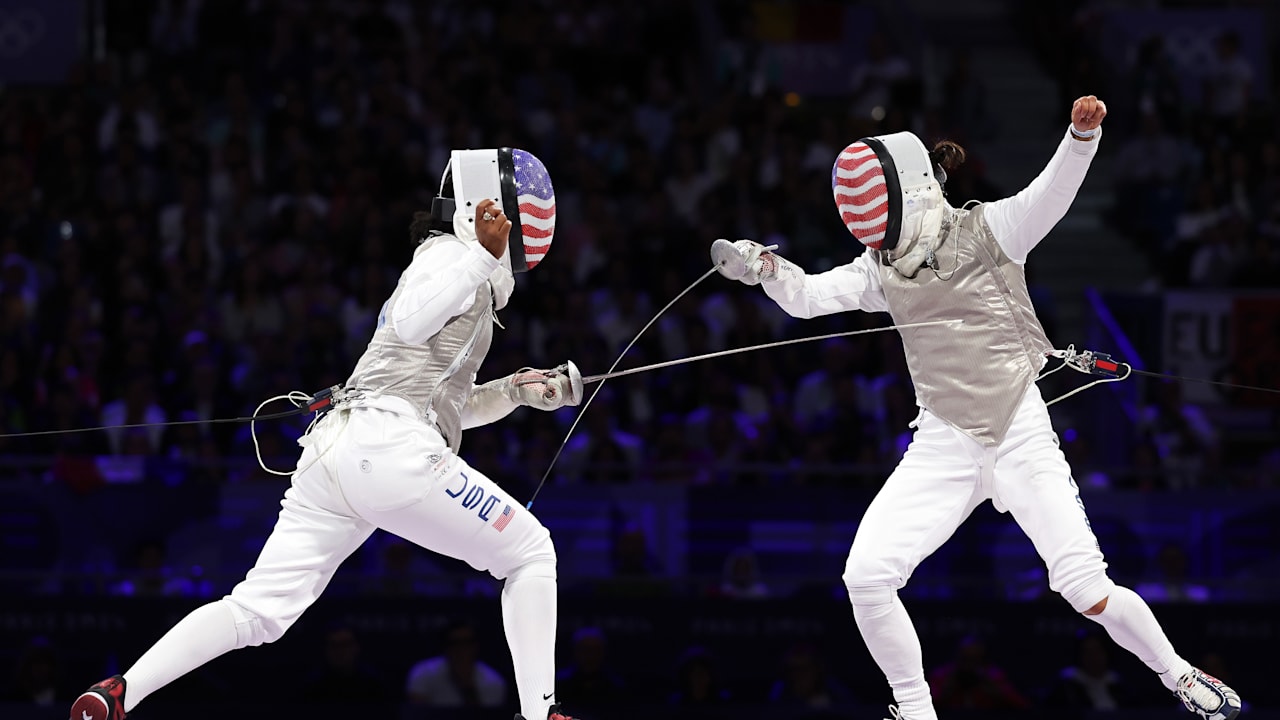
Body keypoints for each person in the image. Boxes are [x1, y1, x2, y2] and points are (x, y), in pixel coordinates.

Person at [711, 96, 1243, 720]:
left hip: (1020, 432)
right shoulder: (880, 269)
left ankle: (1179, 675)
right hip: (943, 441)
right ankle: (915, 708)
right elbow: (806, 297)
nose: (879, 237)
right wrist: (767, 267)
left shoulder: (989, 233)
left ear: (910, 194)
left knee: (1086, 590)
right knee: (867, 577)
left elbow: (1050, 196)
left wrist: (1078, 137)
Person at [71, 147, 581, 720]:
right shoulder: (448, 256)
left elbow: (446, 407)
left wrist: (514, 391)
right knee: (531, 552)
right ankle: (543, 715)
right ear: (483, 207)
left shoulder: (462, 272)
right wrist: (479, 258)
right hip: (387, 447)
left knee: (258, 611)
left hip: (343, 449)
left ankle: (121, 692)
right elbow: (413, 322)